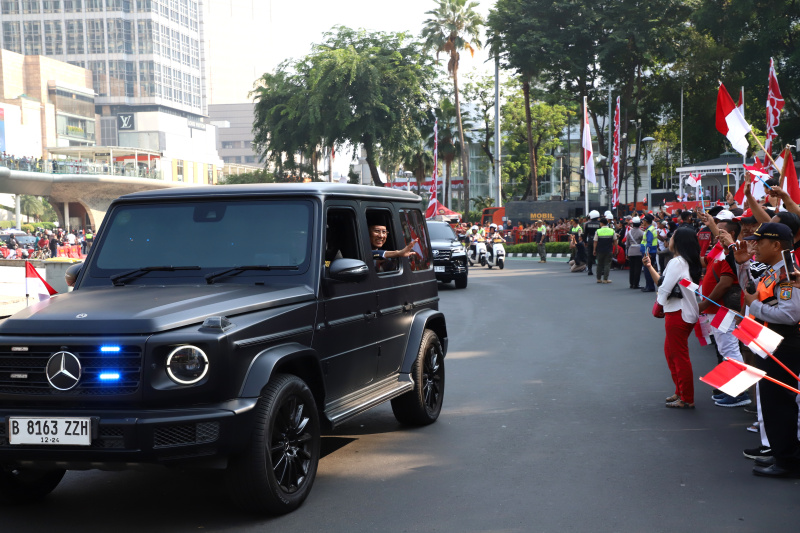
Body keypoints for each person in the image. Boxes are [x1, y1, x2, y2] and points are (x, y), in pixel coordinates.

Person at [732, 222, 800, 477]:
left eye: (759, 242)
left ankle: (788, 461)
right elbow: (753, 290)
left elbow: (790, 314)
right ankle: (781, 451)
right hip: (771, 338)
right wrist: (742, 265)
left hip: (784, 341)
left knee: (779, 403)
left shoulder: (788, 274)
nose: (754, 246)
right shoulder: (776, 269)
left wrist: (755, 308)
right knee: (771, 402)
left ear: (776, 245)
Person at [644, 227, 701, 409]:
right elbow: (663, 282)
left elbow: (665, 288)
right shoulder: (686, 261)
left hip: (678, 313)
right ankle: (681, 392)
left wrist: (657, 307)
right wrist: (650, 267)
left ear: (679, 242)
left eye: (672, 237)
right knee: (672, 354)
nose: (669, 239)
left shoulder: (677, 262)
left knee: (678, 356)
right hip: (683, 313)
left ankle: (686, 397)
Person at [593, 217, 617, 283]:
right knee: (607, 264)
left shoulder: (598, 231)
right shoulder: (612, 231)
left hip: (600, 250)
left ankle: (598, 279)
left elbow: (595, 241)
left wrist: (594, 250)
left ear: (601, 223)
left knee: (599, 264)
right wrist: (616, 249)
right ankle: (605, 279)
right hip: (609, 250)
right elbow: (615, 241)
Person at [640, 214, 659, 292]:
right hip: (650, 251)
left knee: (647, 270)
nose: (642, 222)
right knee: (647, 269)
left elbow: (649, 242)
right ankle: (648, 285)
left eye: (643, 220)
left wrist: (647, 253)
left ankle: (650, 286)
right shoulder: (650, 229)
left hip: (648, 252)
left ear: (646, 221)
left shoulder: (649, 230)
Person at [627, 217, 644, 289]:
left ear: (633, 224)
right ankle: (636, 284)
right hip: (638, 251)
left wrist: (627, 253)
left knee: (632, 268)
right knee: (638, 268)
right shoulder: (641, 232)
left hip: (631, 251)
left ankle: (631, 283)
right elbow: (643, 243)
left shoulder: (629, 232)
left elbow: (627, 244)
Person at [584, 210, 602, 276]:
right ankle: (601, 270)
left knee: (590, 256)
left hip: (591, 240)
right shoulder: (600, 223)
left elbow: (585, 234)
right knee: (599, 255)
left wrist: (585, 242)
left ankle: (590, 270)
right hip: (599, 240)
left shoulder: (587, 224)